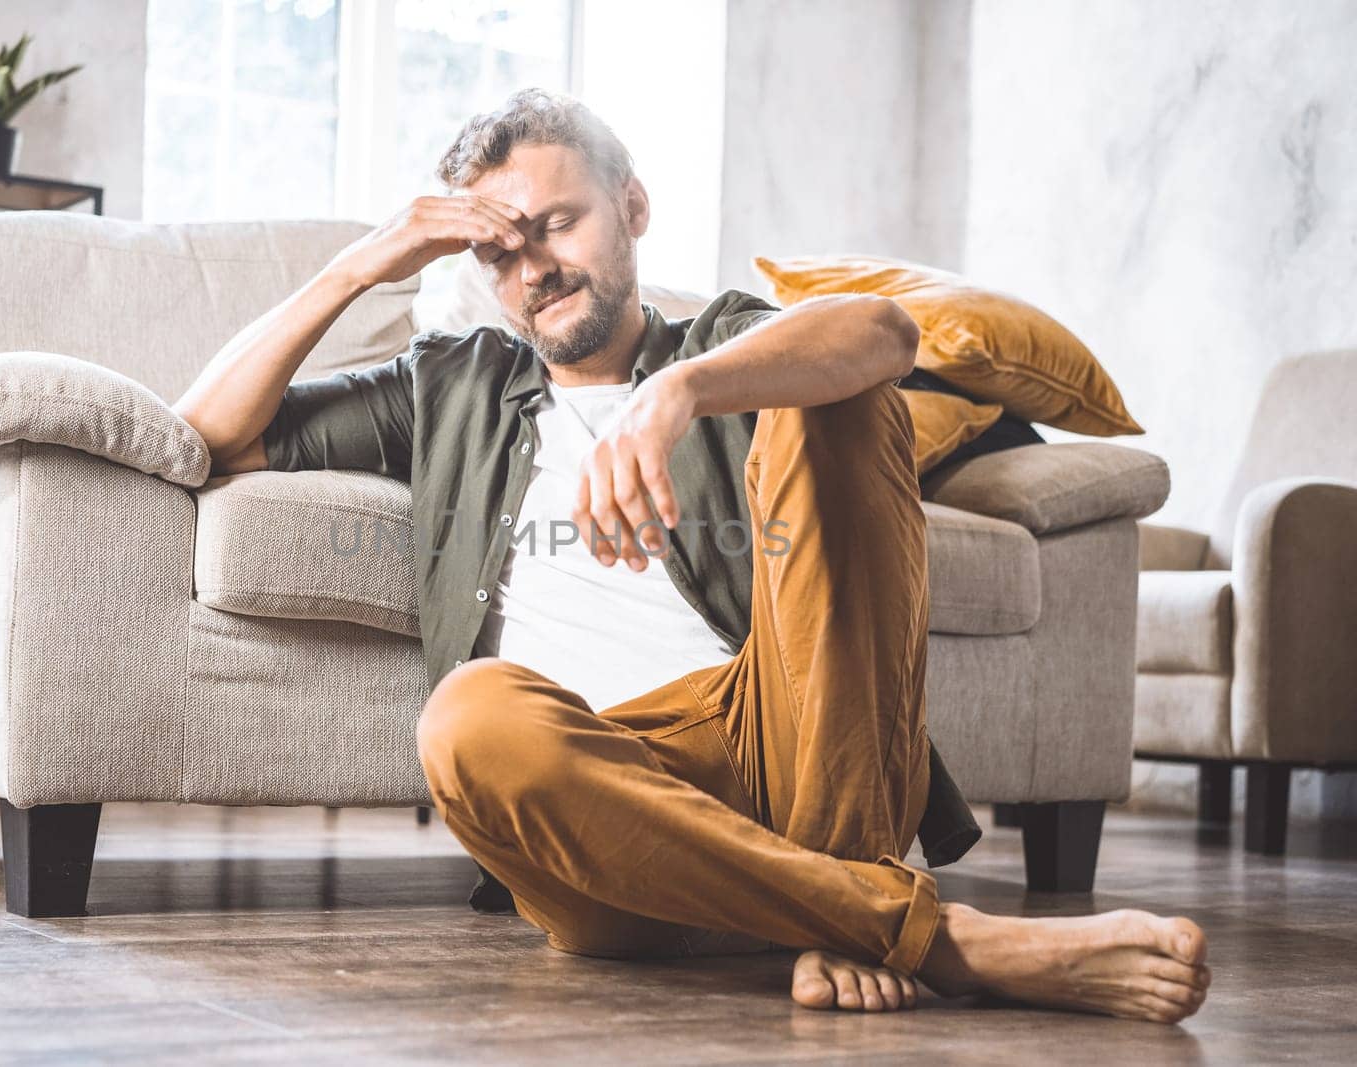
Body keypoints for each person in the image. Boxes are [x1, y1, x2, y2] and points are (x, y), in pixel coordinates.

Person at [175, 88, 1210, 1023]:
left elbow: (885, 332)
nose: (534, 267)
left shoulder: (722, 345)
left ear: (631, 207)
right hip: (598, 816)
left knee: (829, 398)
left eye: (558, 223)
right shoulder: (448, 385)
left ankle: (836, 903)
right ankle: (923, 933)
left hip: (783, 744)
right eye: (500, 251)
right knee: (466, 716)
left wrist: (678, 394)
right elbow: (205, 431)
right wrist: (363, 261)